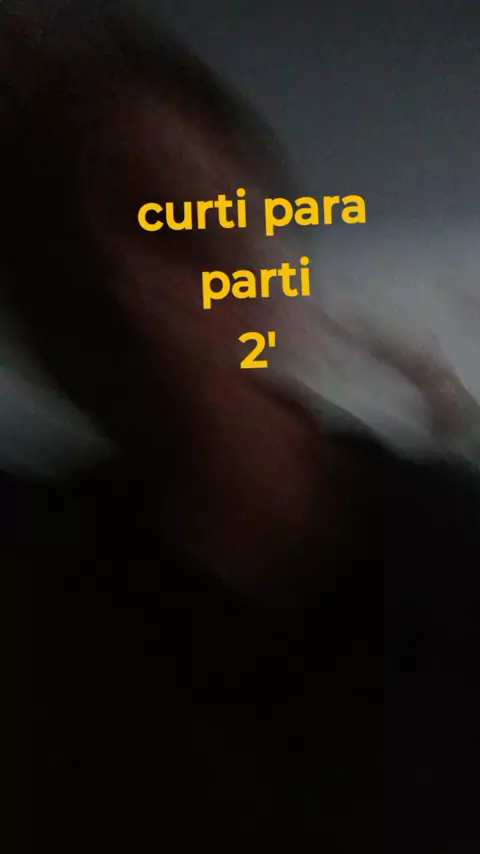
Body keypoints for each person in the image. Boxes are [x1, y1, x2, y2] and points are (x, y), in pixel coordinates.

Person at [5, 2, 479, 851]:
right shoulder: (38, 586)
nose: (120, 285)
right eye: (52, 256)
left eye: (165, 219)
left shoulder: (453, 560)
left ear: (276, 253)